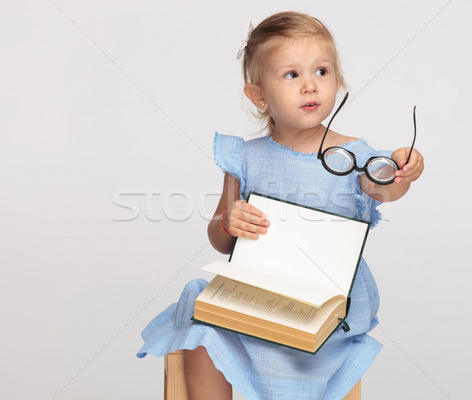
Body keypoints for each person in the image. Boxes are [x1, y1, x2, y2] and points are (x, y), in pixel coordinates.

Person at [137, 11, 424, 400]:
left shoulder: (354, 156)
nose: (310, 86)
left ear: (338, 81)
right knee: (202, 327)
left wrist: (402, 171)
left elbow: (382, 188)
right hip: (257, 295)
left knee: (293, 349)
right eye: (292, 75)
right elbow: (220, 238)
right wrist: (230, 222)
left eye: (321, 71)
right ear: (258, 94)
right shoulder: (245, 158)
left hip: (322, 304)